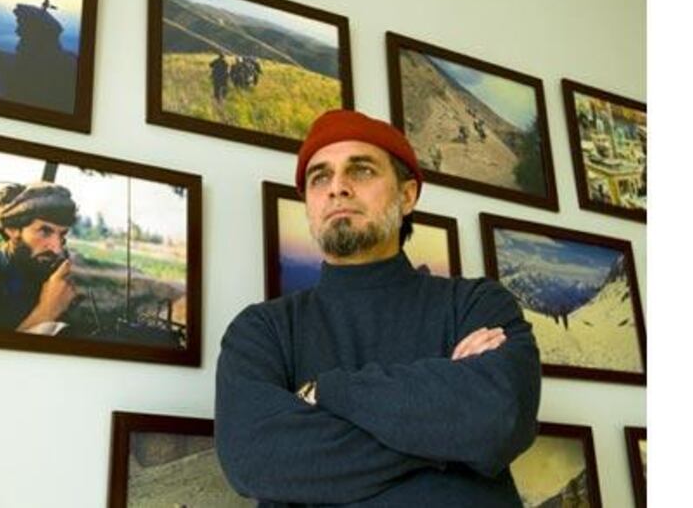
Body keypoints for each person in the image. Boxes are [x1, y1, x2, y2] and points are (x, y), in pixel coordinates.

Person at [215, 109, 541, 506]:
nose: (337, 187)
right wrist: (450, 439)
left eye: (362, 170)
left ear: (407, 196)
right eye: (320, 177)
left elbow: (498, 418)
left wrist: (326, 390)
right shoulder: (262, 330)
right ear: (309, 204)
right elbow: (256, 459)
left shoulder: (476, 303)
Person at [0, 181, 79, 335]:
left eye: (62, 235)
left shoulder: (53, 278)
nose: (57, 248)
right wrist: (47, 311)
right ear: (12, 229)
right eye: (45, 231)